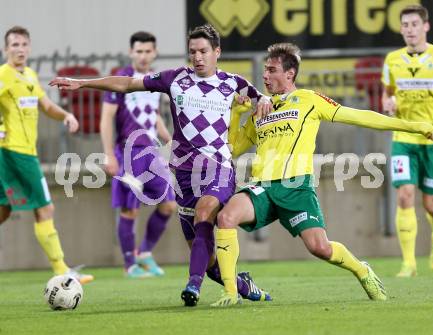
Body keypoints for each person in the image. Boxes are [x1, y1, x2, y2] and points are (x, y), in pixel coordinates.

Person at [50, 24, 272, 306]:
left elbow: (261, 99)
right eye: (193, 51)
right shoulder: (175, 78)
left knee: (205, 212)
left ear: (217, 52)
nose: (198, 57)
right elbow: (128, 84)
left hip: (219, 168)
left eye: (204, 51)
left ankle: (193, 286)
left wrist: (264, 99)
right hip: (185, 174)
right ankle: (243, 285)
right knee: (207, 258)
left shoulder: (233, 83)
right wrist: (82, 83)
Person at [211, 42, 433, 307]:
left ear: (290, 74)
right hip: (263, 187)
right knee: (225, 217)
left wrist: (413, 127)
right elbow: (233, 147)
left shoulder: (309, 100)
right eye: (266, 70)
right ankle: (230, 292)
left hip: (297, 188)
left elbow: (359, 117)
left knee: (320, 248)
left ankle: (361, 270)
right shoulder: (262, 109)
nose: (265, 75)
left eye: (272, 70)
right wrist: (236, 114)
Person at [0, 26, 93, 284]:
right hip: (15, 154)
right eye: (14, 45)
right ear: (5, 49)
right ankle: (62, 270)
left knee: (4, 210)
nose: (19, 49)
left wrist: (66, 115)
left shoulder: (29, 75)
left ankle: (62, 269)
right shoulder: (4, 75)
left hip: (23, 153)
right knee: (45, 208)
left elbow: (46, 105)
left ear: (29, 48)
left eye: (23, 44)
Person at [100, 31, 177, 278]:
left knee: (169, 204)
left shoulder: (153, 79)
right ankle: (129, 265)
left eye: (148, 51)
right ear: (131, 52)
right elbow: (106, 117)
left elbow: (153, 115)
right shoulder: (120, 79)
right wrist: (108, 155)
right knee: (129, 210)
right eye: (139, 51)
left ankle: (144, 253)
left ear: (154, 53)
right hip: (127, 152)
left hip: (151, 153)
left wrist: (170, 139)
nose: (143, 56)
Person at [381, 4, 433, 277]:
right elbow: (386, 96)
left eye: (415, 24)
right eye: (405, 25)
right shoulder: (392, 59)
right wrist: (388, 104)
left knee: (432, 205)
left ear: (425, 27)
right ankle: (409, 263)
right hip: (403, 138)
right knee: (405, 195)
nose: (410, 30)